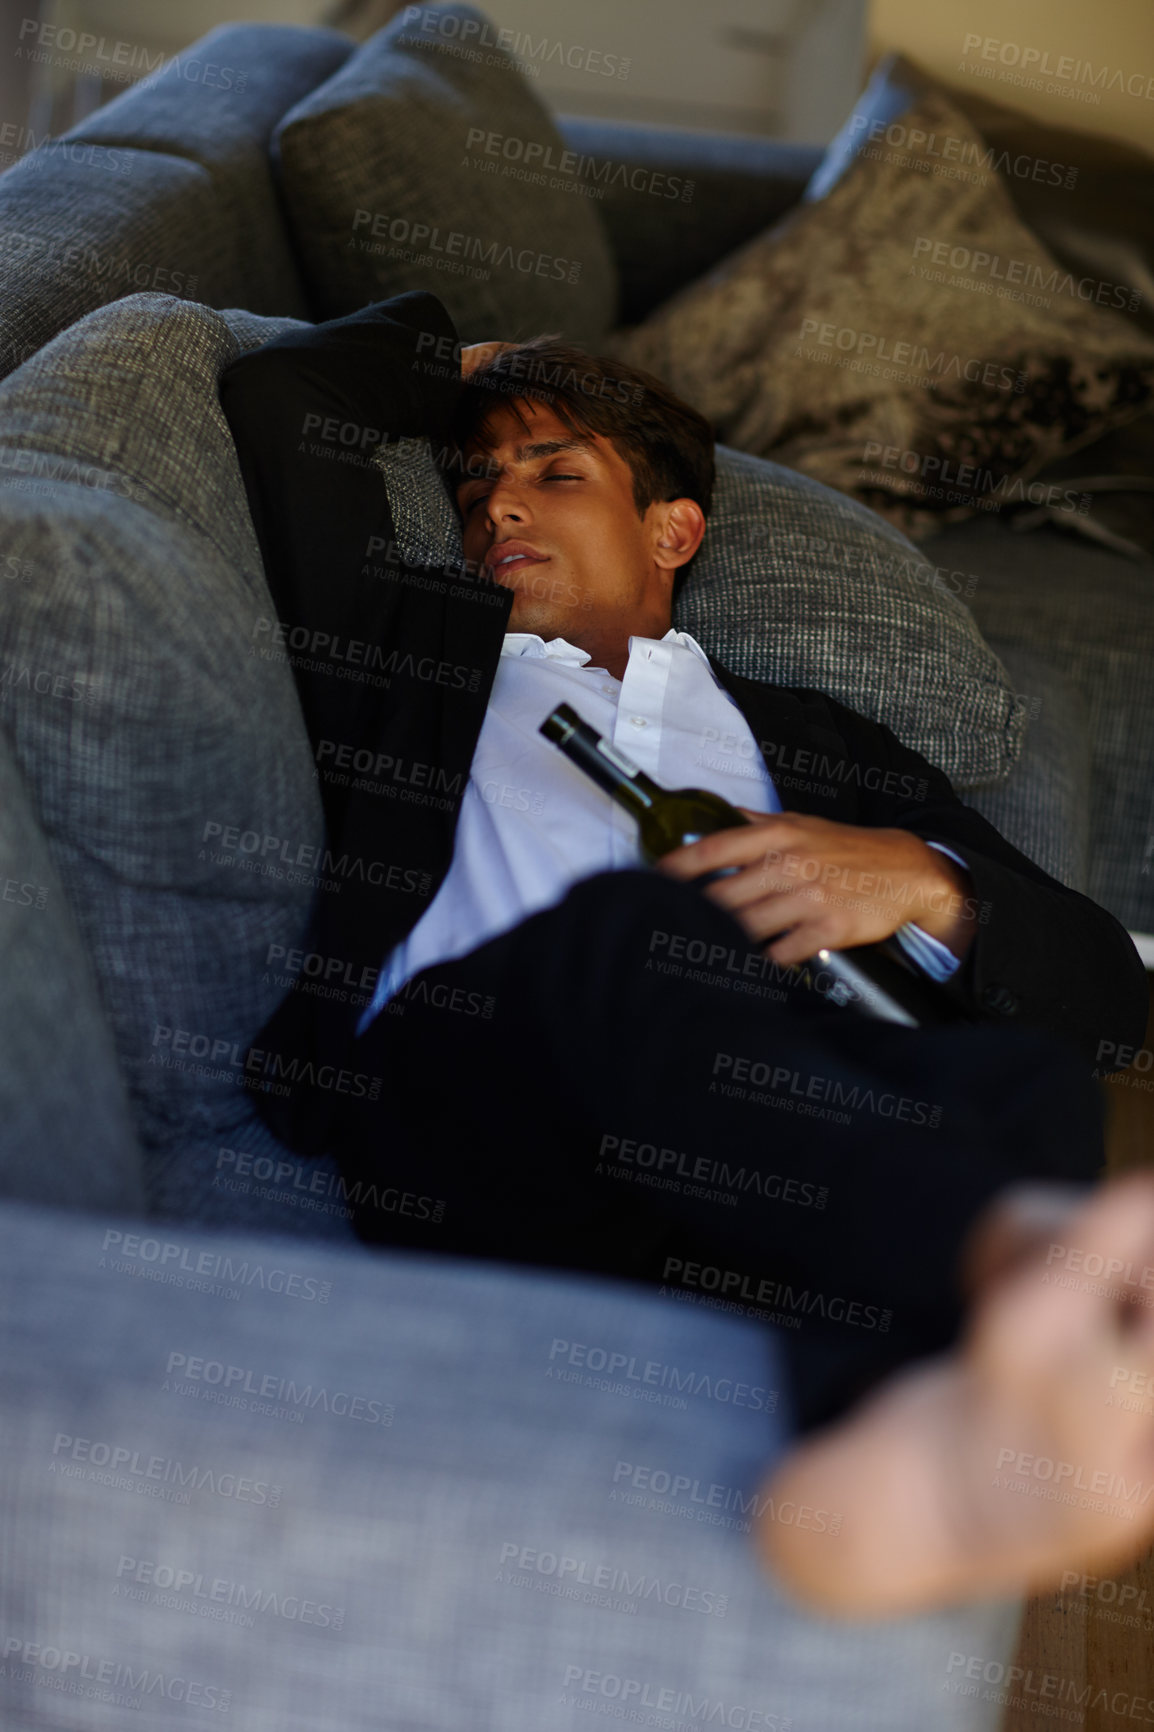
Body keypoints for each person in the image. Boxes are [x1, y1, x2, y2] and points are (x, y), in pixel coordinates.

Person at [218, 289, 1149, 1600]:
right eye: (474, 480)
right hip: (473, 1096)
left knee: (1028, 1081)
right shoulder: (409, 652)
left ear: (674, 528)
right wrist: (477, 360)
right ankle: (1010, 1265)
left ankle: (871, 1483)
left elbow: (1105, 992)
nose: (498, 507)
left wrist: (930, 884)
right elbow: (284, 400)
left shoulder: (814, 740)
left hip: (758, 1150)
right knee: (646, 930)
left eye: (555, 472)